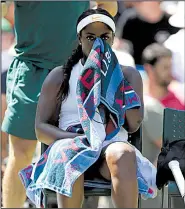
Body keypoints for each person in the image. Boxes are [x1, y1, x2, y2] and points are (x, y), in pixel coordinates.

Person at [19, 8, 157, 208]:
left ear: (112, 39)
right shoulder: (61, 75)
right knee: (70, 154)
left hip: (108, 148)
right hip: (72, 141)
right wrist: (81, 140)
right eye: (90, 37)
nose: (98, 43)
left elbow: (133, 124)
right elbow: (41, 129)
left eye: (104, 37)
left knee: (124, 154)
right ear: (80, 39)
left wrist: (113, 79)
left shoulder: (128, 75)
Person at [1, 1, 118, 208]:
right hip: (32, 69)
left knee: (84, 150)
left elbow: (109, 6)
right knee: (21, 153)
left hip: (77, 69)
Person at [142, 43, 185, 110]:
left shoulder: (179, 106)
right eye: (165, 68)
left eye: (171, 67)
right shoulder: (135, 98)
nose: (170, 72)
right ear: (149, 69)